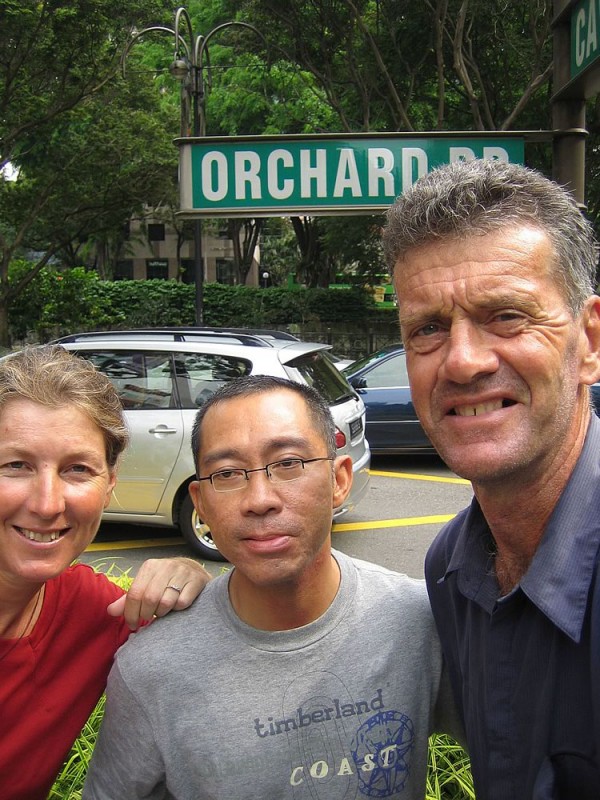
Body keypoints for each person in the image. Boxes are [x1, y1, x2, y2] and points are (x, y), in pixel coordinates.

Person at [83, 375, 461, 800]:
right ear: (201, 502)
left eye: (288, 464)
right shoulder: (151, 670)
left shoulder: (420, 622)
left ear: (340, 480)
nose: (259, 498)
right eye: (227, 473)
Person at [382, 157, 600, 799]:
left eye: (507, 315)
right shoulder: (452, 568)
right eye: (427, 329)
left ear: (589, 340)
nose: (464, 361)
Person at [0, 344, 211, 800]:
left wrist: (189, 574)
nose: (46, 503)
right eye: (15, 465)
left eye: (77, 469)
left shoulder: (96, 613)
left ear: (110, 482)